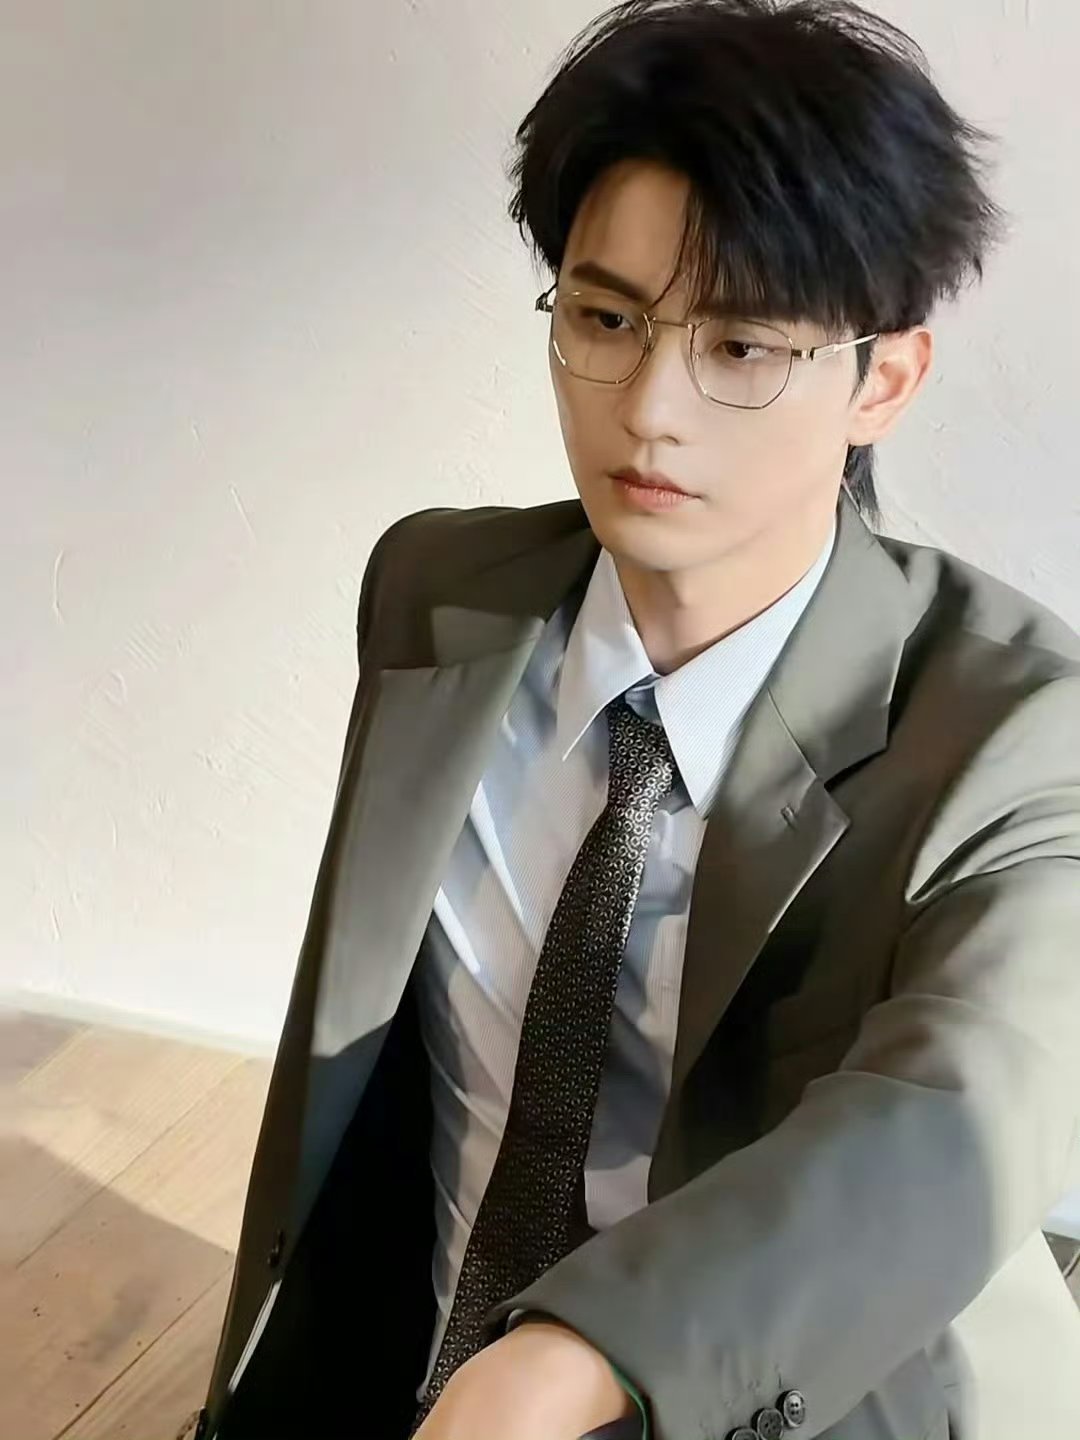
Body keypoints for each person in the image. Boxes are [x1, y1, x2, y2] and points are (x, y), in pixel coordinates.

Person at [194, 3, 1080, 1438]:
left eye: (743, 346)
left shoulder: (1024, 726)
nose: (653, 408)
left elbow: (954, 1115)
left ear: (884, 380)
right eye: (608, 319)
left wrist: (563, 1366)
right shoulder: (436, 594)